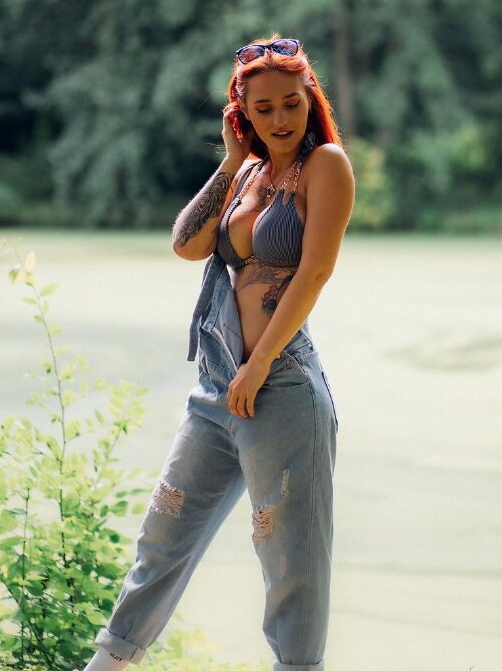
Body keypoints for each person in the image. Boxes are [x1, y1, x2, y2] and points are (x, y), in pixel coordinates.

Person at [80, 34, 355, 671]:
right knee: (163, 534)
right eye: (264, 109)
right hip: (217, 384)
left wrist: (259, 366)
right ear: (242, 114)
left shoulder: (327, 165)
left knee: (290, 562)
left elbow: (315, 272)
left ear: (310, 99)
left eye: (292, 103)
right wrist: (231, 160)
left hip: (280, 385)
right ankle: (108, 664)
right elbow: (186, 244)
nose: (280, 119)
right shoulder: (249, 172)